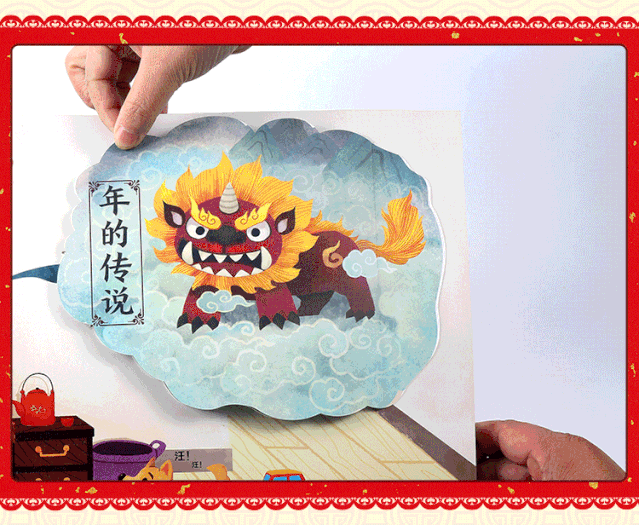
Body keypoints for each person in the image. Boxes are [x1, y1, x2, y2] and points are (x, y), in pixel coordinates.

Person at [66, 45, 627, 483]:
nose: (227, 243)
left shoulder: (301, 247)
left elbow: (275, 287)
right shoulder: (200, 257)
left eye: (249, 233)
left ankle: (347, 296)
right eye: (206, 234)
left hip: (308, 275)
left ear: (278, 227)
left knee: (324, 283)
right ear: (177, 227)